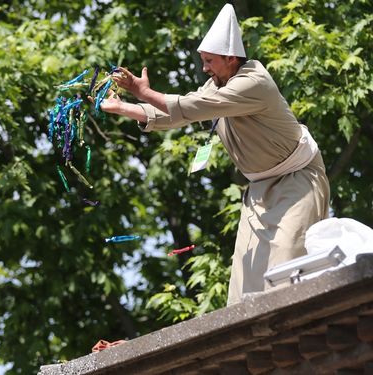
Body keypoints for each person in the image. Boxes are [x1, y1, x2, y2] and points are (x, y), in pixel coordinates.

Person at [97, 3, 330, 305]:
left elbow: (193, 107)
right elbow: (180, 112)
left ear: (231, 58)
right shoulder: (215, 86)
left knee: (286, 261)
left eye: (209, 61)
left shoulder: (254, 82)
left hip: (297, 182)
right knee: (245, 281)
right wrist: (124, 108)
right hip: (259, 192)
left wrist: (143, 93)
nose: (205, 67)